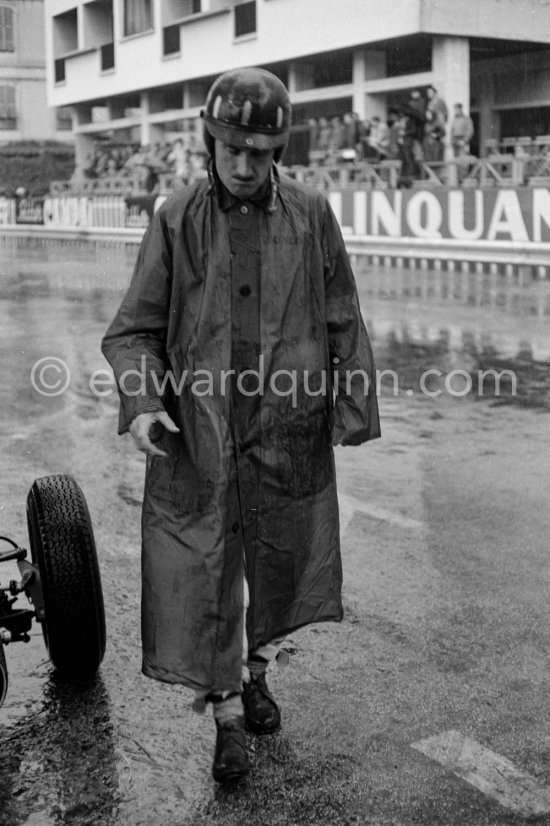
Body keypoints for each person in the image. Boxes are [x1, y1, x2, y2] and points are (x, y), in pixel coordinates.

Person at [101, 67, 380, 784]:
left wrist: (349, 405)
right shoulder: (176, 217)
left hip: (286, 424)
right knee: (207, 570)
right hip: (202, 430)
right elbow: (135, 330)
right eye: (234, 151)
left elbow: (342, 311)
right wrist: (144, 402)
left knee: (279, 560)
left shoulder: (313, 215)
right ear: (211, 143)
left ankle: (257, 673)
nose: (247, 166)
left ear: (279, 149)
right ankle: (225, 714)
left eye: (261, 153)